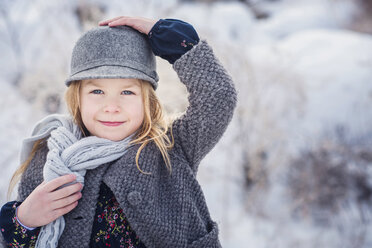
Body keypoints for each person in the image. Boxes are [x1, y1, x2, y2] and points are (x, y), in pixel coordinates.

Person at [0, 16, 237, 248]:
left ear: (147, 100)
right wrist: (23, 220)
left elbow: (218, 98)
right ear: (77, 99)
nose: (112, 107)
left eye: (127, 92)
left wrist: (166, 35)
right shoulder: (51, 160)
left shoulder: (172, 146)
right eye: (97, 92)